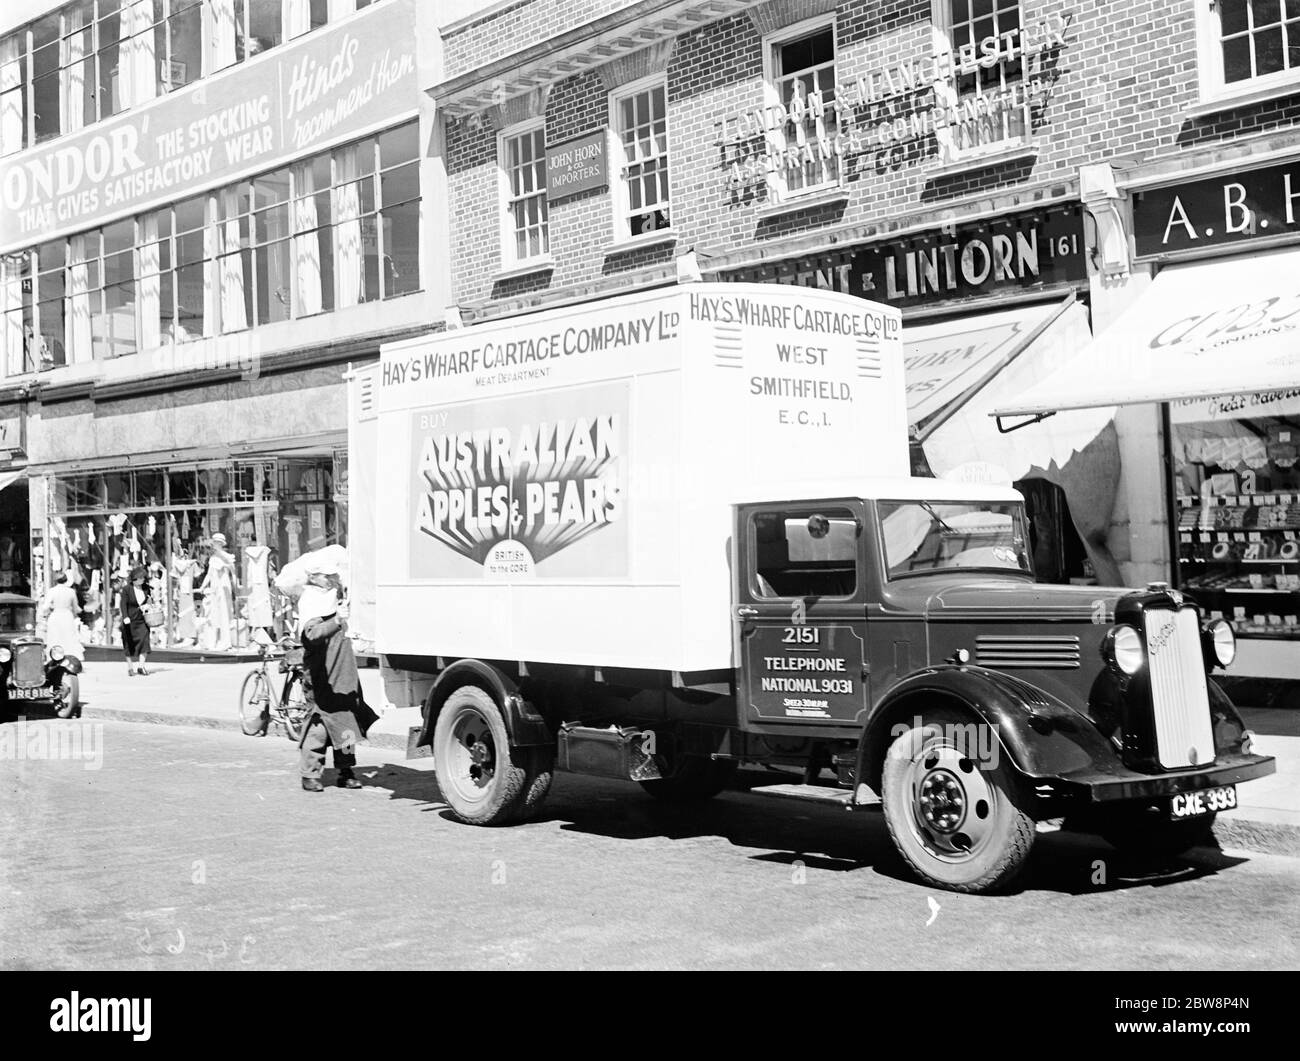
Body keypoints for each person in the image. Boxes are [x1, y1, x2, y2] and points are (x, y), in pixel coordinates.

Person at [296, 573, 378, 792]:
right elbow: (313, 635)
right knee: (319, 727)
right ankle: (310, 773)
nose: (331, 579)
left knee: (347, 725)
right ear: (314, 577)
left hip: (343, 674)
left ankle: (346, 770)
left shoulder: (334, 597)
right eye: (326, 576)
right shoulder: (310, 600)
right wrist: (337, 620)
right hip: (323, 677)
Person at [41, 573, 84, 663]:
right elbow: (76, 608)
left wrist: (45, 612)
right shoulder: (71, 591)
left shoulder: (52, 591)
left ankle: (54, 656)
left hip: (56, 615)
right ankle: (71, 657)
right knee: (69, 637)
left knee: (55, 637)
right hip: (67, 615)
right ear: (66, 580)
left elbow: (45, 606)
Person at [118, 566, 154, 676]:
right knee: (128, 643)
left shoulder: (146, 588)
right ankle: (130, 667)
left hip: (142, 619)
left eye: (144, 578)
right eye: (141, 578)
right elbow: (123, 604)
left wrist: (149, 605)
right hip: (130, 619)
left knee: (144, 641)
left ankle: (141, 666)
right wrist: (125, 617)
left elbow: (149, 602)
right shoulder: (127, 589)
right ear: (135, 579)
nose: (143, 580)